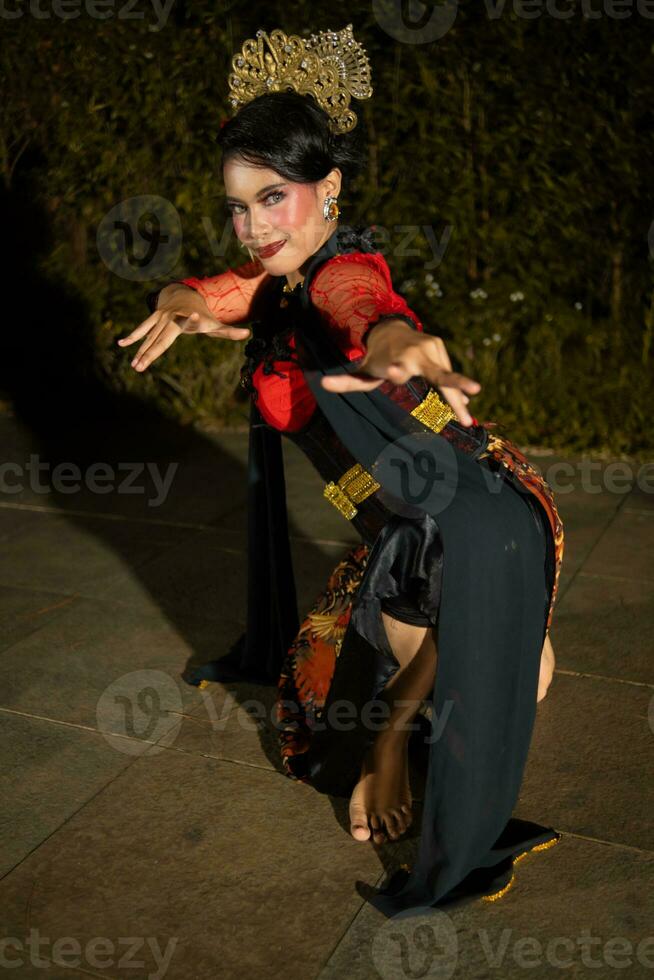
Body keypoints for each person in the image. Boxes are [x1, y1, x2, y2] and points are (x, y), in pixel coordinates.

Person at [117, 25, 564, 918]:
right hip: (407, 521)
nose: (254, 226)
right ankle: (410, 723)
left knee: (476, 670)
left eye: (273, 198)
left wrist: (396, 340)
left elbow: (364, 304)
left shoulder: (339, 272)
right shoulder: (276, 278)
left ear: (329, 190)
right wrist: (177, 300)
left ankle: (394, 743)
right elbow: (216, 292)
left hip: (467, 505)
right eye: (239, 206)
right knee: (496, 668)